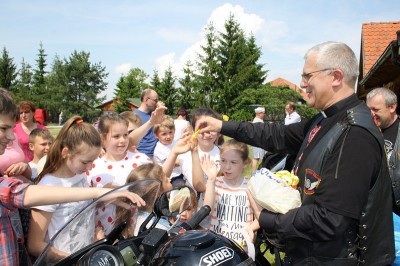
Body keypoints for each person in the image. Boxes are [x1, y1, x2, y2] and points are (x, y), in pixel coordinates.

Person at [195, 42, 394, 264]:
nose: (302, 83)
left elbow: (329, 219)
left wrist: (267, 218)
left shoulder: (355, 134)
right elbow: (275, 135)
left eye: (308, 76)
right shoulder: (324, 119)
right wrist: (222, 126)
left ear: (336, 77)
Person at [0, 88, 145, 265]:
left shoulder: (79, 175)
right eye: (85, 162)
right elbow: (35, 245)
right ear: (66, 152)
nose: (90, 168)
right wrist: (75, 259)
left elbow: (75, 208)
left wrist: (105, 199)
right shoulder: (50, 185)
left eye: (93, 161)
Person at [86, 112, 152, 233]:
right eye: (116, 136)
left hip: (138, 229)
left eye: (125, 135)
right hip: (106, 232)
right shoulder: (93, 168)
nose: (122, 140)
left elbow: (158, 181)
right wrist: (102, 197)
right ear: (102, 138)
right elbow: (86, 206)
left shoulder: (140, 159)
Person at [201, 139, 258, 250]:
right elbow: (207, 210)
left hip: (241, 247)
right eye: (223, 160)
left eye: (233, 162)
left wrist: (251, 228)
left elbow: (260, 216)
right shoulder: (215, 183)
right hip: (216, 246)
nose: (227, 167)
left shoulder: (250, 185)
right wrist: (211, 180)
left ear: (245, 163)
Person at [114, 163, 173, 237]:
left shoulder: (139, 215)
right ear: (157, 192)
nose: (169, 179)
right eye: (166, 181)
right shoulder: (157, 227)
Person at [366, 87, 400, 213]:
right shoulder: (366, 130)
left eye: (375, 109)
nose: (371, 114)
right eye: (368, 109)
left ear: (392, 107)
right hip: (373, 210)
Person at [153, 116, 185, 186]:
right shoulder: (159, 149)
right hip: (171, 177)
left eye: (170, 132)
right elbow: (175, 163)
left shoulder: (174, 142)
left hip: (181, 172)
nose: (168, 136)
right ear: (156, 135)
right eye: (164, 134)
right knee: (181, 187)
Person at [134, 88, 164, 158]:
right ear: (146, 100)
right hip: (143, 156)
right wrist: (141, 157)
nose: (157, 103)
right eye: (155, 100)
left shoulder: (154, 114)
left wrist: (161, 109)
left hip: (157, 156)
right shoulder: (134, 116)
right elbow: (130, 141)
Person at [251, 107, 266, 174]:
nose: (264, 114)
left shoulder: (258, 120)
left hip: (258, 143)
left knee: (257, 157)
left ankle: (255, 172)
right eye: (263, 113)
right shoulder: (258, 121)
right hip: (258, 143)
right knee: (256, 158)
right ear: (259, 113)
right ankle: (253, 173)